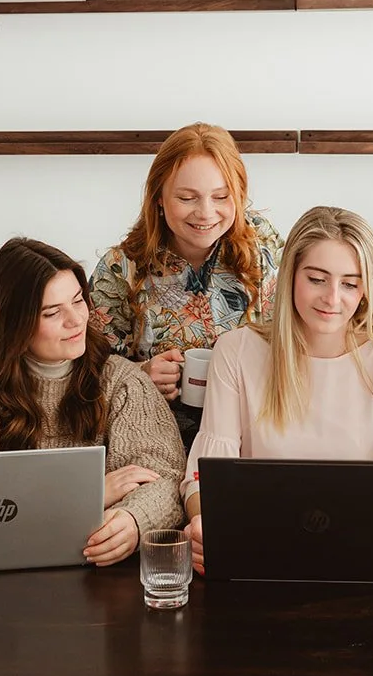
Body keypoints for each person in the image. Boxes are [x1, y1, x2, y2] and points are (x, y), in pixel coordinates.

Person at [182, 205, 373, 573]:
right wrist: (204, 523)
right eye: (316, 279)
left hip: (369, 564)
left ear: (367, 287)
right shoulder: (236, 352)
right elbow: (203, 475)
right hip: (261, 563)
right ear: (290, 276)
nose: (332, 298)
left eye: (350, 283)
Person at [0, 237, 186, 563]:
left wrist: (133, 520)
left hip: (99, 579)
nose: (76, 320)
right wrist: (88, 496)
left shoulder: (123, 382)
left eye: (78, 300)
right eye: (52, 312)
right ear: (12, 323)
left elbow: (164, 479)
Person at [89, 122, 284, 448]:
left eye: (221, 197)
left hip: (252, 434)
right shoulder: (121, 269)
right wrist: (142, 373)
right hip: (154, 439)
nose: (206, 213)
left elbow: (296, 336)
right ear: (159, 198)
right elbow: (84, 370)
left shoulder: (262, 246)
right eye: (187, 197)